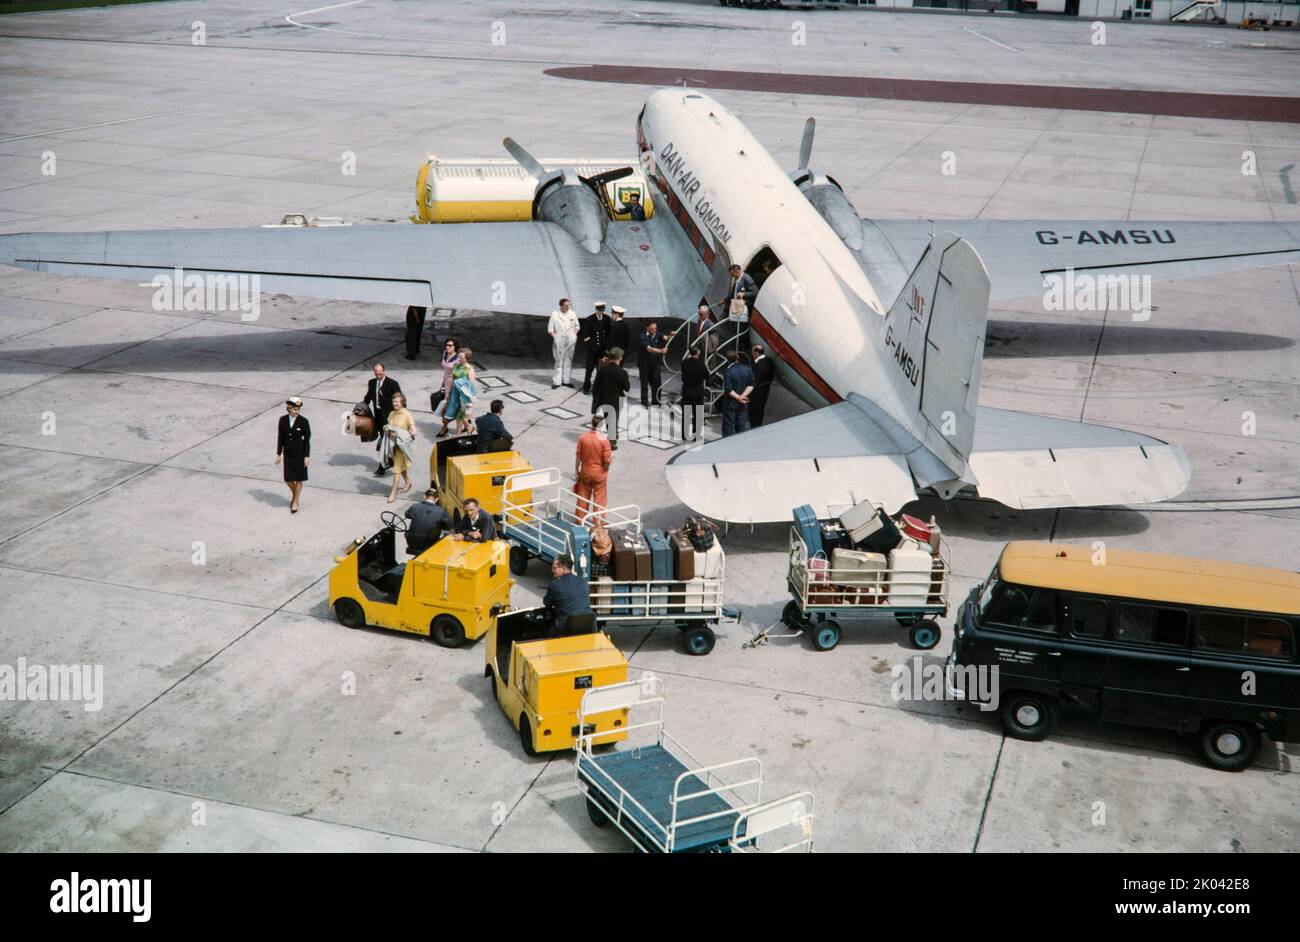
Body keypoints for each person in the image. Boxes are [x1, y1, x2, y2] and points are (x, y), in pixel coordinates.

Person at [574, 415, 613, 523]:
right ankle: (598, 523)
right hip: (599, 473)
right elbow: (607, 460)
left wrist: (576, 471)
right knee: (599, 499)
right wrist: (606, 469)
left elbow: (578, 456)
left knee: (583, 497)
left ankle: (579, 520)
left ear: (592, 424)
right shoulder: (604, 440)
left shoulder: (583, 438)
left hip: (585, 471)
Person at [364, 363, 401, 475]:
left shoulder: (393, 384)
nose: (379, 376)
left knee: (386, 441)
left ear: (384, 371)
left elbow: (400, 400)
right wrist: (362, 407)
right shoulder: (372, 382)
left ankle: (382, 466)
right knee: (384, 440)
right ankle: (388, 461)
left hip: (390, 417)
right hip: (378, 415)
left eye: (380, 374)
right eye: (377, 374)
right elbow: (369, 396)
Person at [275, 397, 310, 513]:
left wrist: (306, 456)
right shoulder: (283, 420)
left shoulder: (304, 421)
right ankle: (296, 495)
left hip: (300, 453)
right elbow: (280, 437)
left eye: (298, 409)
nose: (297, 412)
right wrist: (279, 453)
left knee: (299, 479)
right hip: (288, 454)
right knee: (288, 479)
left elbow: (307, 440)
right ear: (289, 409)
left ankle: (294, 502)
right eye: (295, 409)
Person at [590, 346, 629, 450]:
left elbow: (595, 386)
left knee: (600, 420)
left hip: (603, 398)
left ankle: (593, 439)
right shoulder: (622, 372)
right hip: (616, 400)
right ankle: (611, 444)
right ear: (619, 358)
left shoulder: (602, 369)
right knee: (613, 421)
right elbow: (627, 387)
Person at [543, 555, 592, 635]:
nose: (552, 571)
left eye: (555, 568)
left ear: (563, 568)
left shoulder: (554, 585)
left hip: (566, 628)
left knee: (548, 632)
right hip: (589, 625)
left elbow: (547, 603)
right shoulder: (583, 581)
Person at [384, 392, 417, 503]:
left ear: (402, 402)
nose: (394, 404)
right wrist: (387, 429)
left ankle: (393, 493)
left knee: (396, 469)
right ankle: (408, 482)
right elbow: (389, 426)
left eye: (397, 402)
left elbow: (412, 426)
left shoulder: (406, 414)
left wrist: (413, 431)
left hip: (402, 447)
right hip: (393, 445)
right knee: (400, 465)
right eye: (393, 402)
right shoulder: (392, 413)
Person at [439, 348, 477, 437]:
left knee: (460, 416)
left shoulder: (469, 369)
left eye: (461, 357)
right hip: (454, 394)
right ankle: (469, 427)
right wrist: (448, 393)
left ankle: (457, 435)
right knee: (451, 414)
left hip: (464, 396)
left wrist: (472, 400)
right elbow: (452, 380)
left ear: (467, 358)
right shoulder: (456, 365)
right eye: (458, 356)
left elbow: (471, 386)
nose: (459, 358)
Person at [720, 264, 757, 354]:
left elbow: (755, 292)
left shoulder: (747, 279)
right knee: (735, 326)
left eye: (733, 275)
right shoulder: (737, 280)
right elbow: (733, 293)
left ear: (737, 271)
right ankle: (736, 344)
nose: (732, 277)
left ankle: (741, 348)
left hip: (743, 306)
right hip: (736, 305)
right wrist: (724, 300)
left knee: (741, 327)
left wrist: (744, 294)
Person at [404, 487, 451, 556]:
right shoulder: (440, 511)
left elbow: (407, 515)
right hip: (429, 543)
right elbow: (448, 526)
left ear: (424, 496)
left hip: (412, 542)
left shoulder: (415, 506)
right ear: (437, 499)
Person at [721, 348, 755, 438]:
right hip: (743, 402)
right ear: (737, 357)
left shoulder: (729, 371)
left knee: (728, 426)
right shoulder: (747, 369)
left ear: (727, 359)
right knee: (741, 425)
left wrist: (738, 397)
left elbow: (728, 389)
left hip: (730, 402)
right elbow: (751, 385)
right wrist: (742, 396)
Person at [547, 298, 580, 389]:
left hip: (570, 339)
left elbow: (577, 326)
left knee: (568, 360)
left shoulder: (572, 313)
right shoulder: (555, 314)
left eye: (569, 305)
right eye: (566, 305)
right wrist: (556, 337)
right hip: (559, 339)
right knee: (559, 361)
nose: (568, 307)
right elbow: (550, 329)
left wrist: (574, 335)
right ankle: (557, 382)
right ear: (561, 305)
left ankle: (566, 381)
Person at [579, 302, 611, 394]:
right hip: (592, 349)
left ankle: (597, 388)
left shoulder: (607, 319)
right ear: (596, 309)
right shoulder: (590, 319)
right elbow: (585, 335)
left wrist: (606, 349)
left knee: (600, 371)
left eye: (602, 310)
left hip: (602, 350)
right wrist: (592, 347)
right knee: (589, 370)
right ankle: (586, 387)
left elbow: (608, 334)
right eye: (599, 310)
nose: (601, 312)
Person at [679, 344, 708, 441]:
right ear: (698, 353)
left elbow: (683, 372)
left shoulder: (684, 363)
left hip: (687, 390)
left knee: (686, 413)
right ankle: (696, 435)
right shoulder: (701, 364)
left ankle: (684, 435)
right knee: (698, 414)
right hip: (698, 390)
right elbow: (706, 375)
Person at [638, 320, 669, 407]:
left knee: (657, 383)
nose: (654, 330)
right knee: (644, 383)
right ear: (647, 328)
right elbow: (649, 349)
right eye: (652, 328)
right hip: (644, 364)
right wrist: (661, 351)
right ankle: (644, 401)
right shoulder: (642, 336)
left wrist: (671, 335)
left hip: (655, 364)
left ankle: (656, 401)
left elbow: (665, 337)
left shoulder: (658, 334)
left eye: (655, 328)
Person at [749, 343, 776, 427]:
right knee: (760, 410)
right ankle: (758, 425)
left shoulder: (757, 365)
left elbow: (754, 381)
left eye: (753, 352)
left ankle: (754, 427)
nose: (752, 354)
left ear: (757, 353)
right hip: (765, 390)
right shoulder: (769, 361)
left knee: (753, 412)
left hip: (756, 392)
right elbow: (771, 376)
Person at [432, 338, 458, 418]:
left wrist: (452, 388)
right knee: (448, 405)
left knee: (448, 405)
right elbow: (446, 370)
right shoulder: (445, 354)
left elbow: (457, 375)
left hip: (453, 384)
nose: (447, 347)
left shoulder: (457, 359)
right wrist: (443, 382)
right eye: (446, 345)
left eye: (450, 345)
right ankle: (466, 424)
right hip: (446, 383)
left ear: (455, 347)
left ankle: (445, 426)